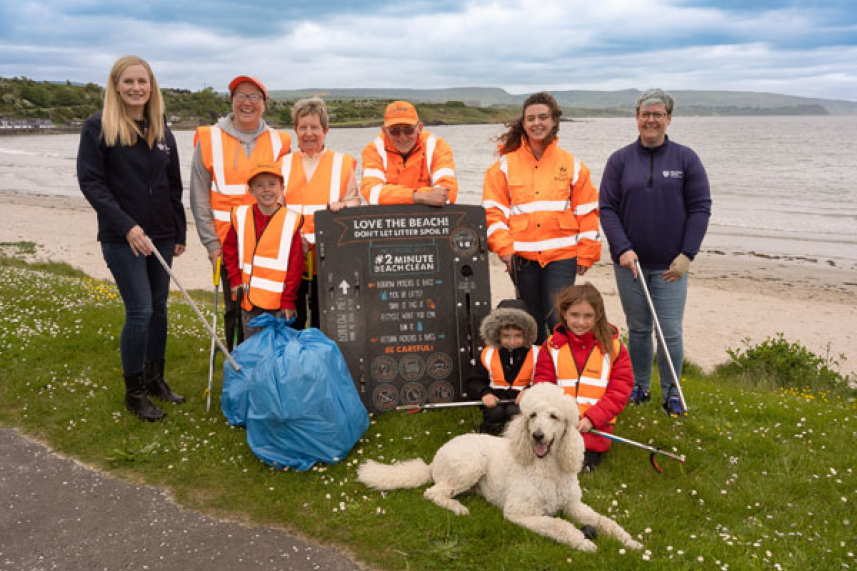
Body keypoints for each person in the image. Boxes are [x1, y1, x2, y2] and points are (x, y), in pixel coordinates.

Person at [77, 55, 186, 422]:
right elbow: (92, 183)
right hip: (122, 237)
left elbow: (173, 186)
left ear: (152, 86)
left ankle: (156, 379)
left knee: (159, 309)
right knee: (139, 311)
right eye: (129, 82)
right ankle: (134, 391)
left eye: (143, 81)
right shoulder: (98, 128)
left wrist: (179, 231)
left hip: (162, 235)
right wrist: (127, 226)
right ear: (116, 85)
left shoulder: (162, 129)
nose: (136, 88)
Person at [599, 88, 712, 416]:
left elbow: (700, 208)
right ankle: (639, 385)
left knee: (670, 332)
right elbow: (607, 208)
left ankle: (672, 391)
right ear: (637, 118)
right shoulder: (620, 160)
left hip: (670, 266)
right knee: (638, 329)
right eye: (645, 114)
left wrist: (687, 255)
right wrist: (622, 248)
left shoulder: (685, 158)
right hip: (629, 264)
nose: (651, 120)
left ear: (668, 119)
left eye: (658, 114)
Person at [483, 92, 601, 345]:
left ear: (554, 120)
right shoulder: (503, 165)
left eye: (543, 117)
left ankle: (565, 375)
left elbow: (588, 211)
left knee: (559, 319)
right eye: (531, 118)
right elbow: (494, 211)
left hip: (562, 256)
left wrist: (587, 251)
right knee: (531, 320)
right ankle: (536, 376)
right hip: (521, 258)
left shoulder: (572, 164)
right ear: (524, 123)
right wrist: (503, 248)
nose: (537, 123)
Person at [190, 75, 291, 349]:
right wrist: (211, 244)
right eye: (241, 96)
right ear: (232, 101)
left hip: (271, 244)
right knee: (235, 308)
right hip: (229, 245)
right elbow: (198, 196)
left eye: (254, 97)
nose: (248, 103)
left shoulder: (280, 141)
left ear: (264, 104)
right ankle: (238, 367)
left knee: (273, 306)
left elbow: (286, 191)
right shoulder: (209, 139)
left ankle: (272, 365)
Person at [533, 283, 633, 471]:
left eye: (588, 316)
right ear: (563, 314)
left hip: (594, 427)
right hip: (557, 423)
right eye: (574, 315)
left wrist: (592, 419)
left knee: (578, 465)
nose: (580, 322)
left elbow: (620, 392)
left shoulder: (615, 349)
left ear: (598, 316)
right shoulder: (551, 345)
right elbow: (543, 383)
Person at [283, 97, 361, 329]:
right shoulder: (282, 164)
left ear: (325, 130)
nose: (309, 133)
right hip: (292, 257)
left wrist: (343, 206)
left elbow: (355, 201)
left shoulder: (342, 163)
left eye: (314, 127)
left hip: (328, 257)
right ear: (295, 131)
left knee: (323, 320)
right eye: (303, 127)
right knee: (293, 321)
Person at [223, 160, 304, 340]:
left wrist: (288, 299)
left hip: (279, 303)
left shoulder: (291, 221)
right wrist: (235, 280)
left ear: (282, 188)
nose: (266, 189)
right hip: (248, 301)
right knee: (253, 348)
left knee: (278, 349)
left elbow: (295, 265)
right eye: (259, 185)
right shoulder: (241, 216)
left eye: (272, 184)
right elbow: (229, 250)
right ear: (250, 191)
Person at [360, 100, 457, 206]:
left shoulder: (438, 147)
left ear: (419, 128)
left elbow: (448, 193)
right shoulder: (373, 150)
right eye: (395, 131)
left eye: (408, 130)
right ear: (385, 131)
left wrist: (392, 195)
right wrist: (417, 197)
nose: (402, 137)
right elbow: (372, 193)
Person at [465, 299, 540, 435]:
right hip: (495, 400)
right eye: (506, 336)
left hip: (523, 401)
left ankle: (518, 434)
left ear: (528, 334)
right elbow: (474, 381)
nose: (512, 342)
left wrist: (530, 391)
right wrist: (484, 393)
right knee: (495, 413)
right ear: (496, 333)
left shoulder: (538, 354)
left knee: (514, 412)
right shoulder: (487, 354)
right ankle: (491, 431)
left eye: (518, 336)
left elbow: (544, 380)